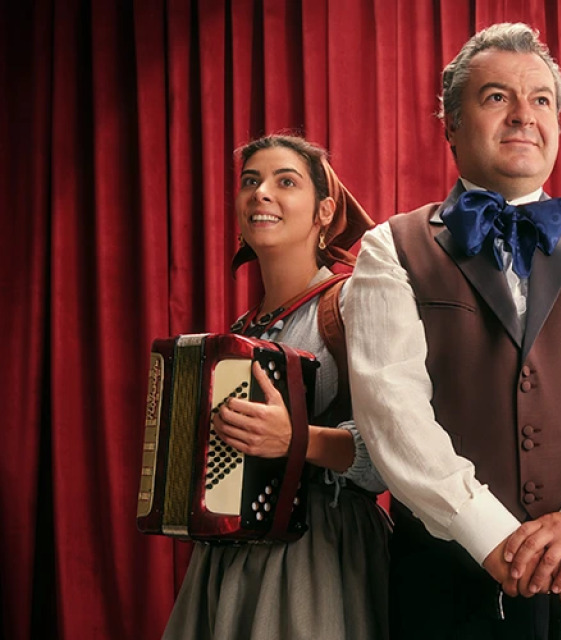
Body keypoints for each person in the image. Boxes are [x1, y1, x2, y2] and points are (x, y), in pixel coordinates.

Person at [343, 23, 561, 640]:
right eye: (497, 97)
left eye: (541, 99)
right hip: (447, 582)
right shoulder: (390, 248)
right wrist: (488, 534)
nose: (524, 115)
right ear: (450, 124)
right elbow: (392, 415)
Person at [162, 134, 389, 640]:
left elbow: (389, 457)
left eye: (286, 182)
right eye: (250, 181)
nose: (261, 192)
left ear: (324, 211)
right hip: (227, 560)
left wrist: (295, 439)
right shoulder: (239, 333)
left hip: (319, 555)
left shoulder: (352, 302)